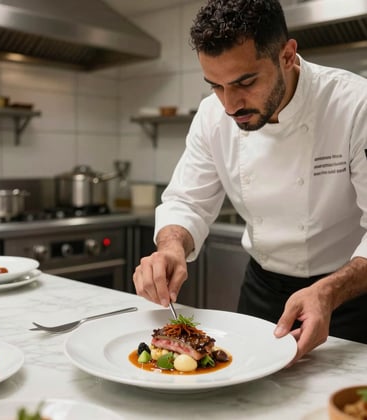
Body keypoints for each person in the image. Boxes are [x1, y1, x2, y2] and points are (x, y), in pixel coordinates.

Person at [133, 0, 367, 364]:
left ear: (287, 55)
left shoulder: (354, 106)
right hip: (262, 291)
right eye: (216, 86)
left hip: (347, 297)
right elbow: (187, 201)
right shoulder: (212, 116)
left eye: (245, 82)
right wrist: (171, 248)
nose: (230, 104)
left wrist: (329, 292)